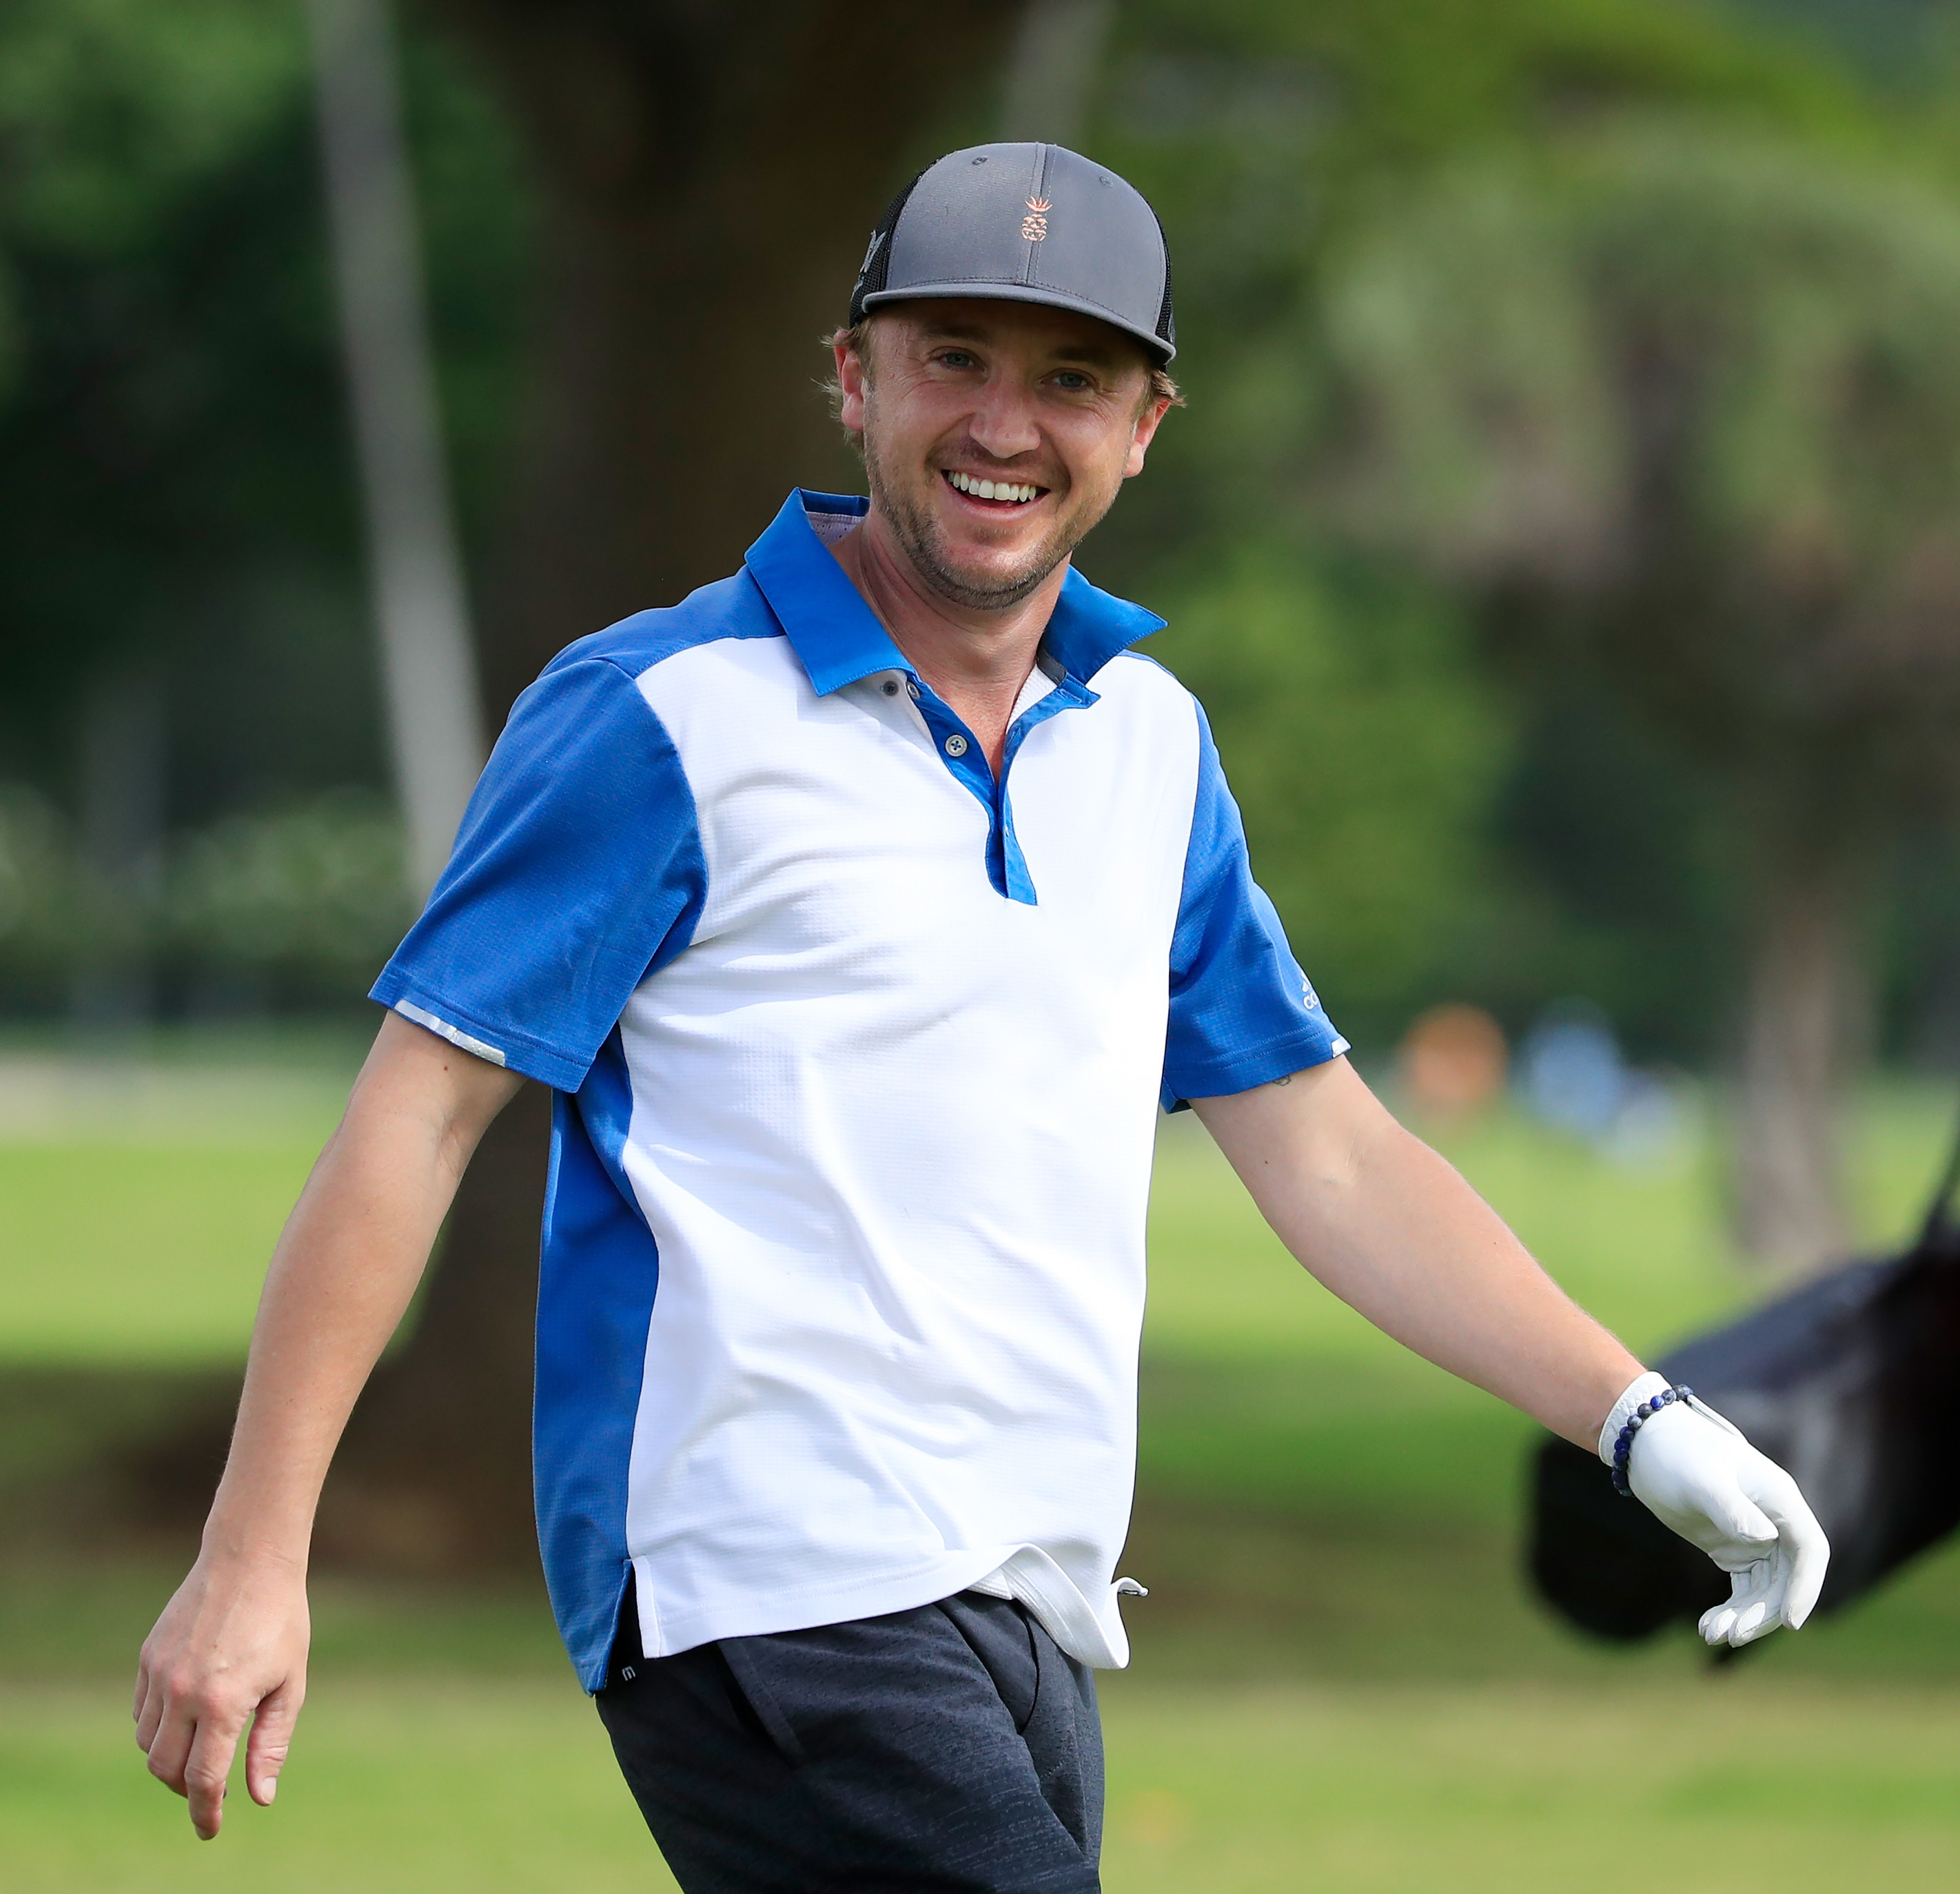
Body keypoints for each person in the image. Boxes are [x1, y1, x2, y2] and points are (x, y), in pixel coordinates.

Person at [132, 141, 1827, 1892]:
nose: (1007, 424)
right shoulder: (666, 714)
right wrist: (255, 1556)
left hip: (1029, 1588)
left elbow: (1325, 1149)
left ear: (1147, 425)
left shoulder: (1151, 746)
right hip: (757, 1568)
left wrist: (1638, 1419)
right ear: (854, 377)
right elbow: (415, 1118)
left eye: (1072, 378)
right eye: (955, 357)